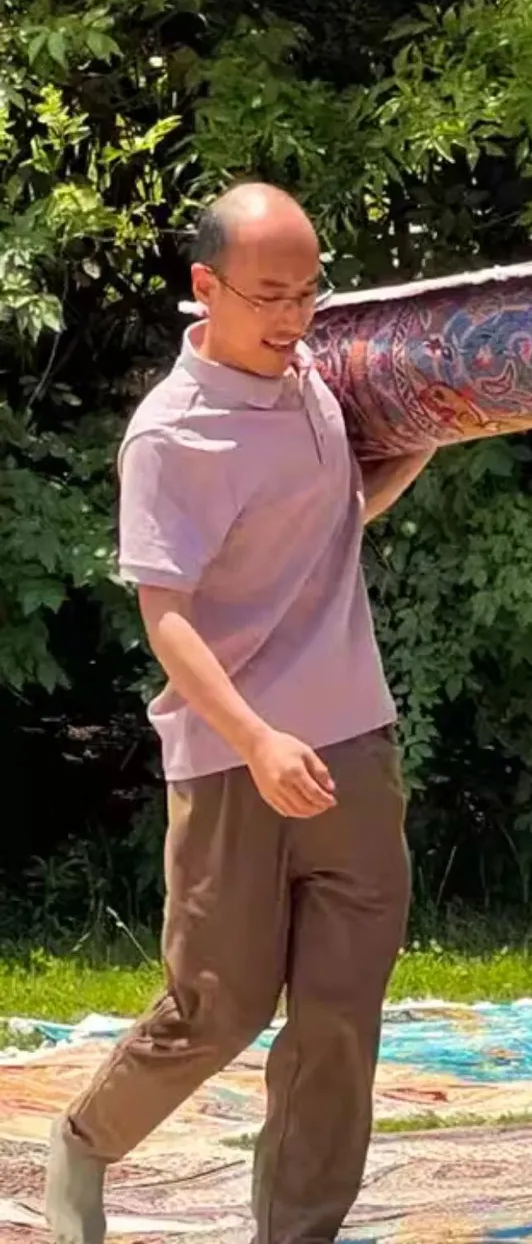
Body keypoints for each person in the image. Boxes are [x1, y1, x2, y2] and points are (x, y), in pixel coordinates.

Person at [43, 185, 435, 1244]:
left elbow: (330, 523)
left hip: (354, 746)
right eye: (269, 295)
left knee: (340, 1021)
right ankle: (84, 1139)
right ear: (205, 287)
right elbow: (165, 617)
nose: (294, 317)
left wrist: (426, 439)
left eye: (308, 292)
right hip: (231, 760)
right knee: (219, 1007)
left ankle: (296, 1234)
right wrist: (257, 739)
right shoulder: (170, 436)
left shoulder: (313, 386)